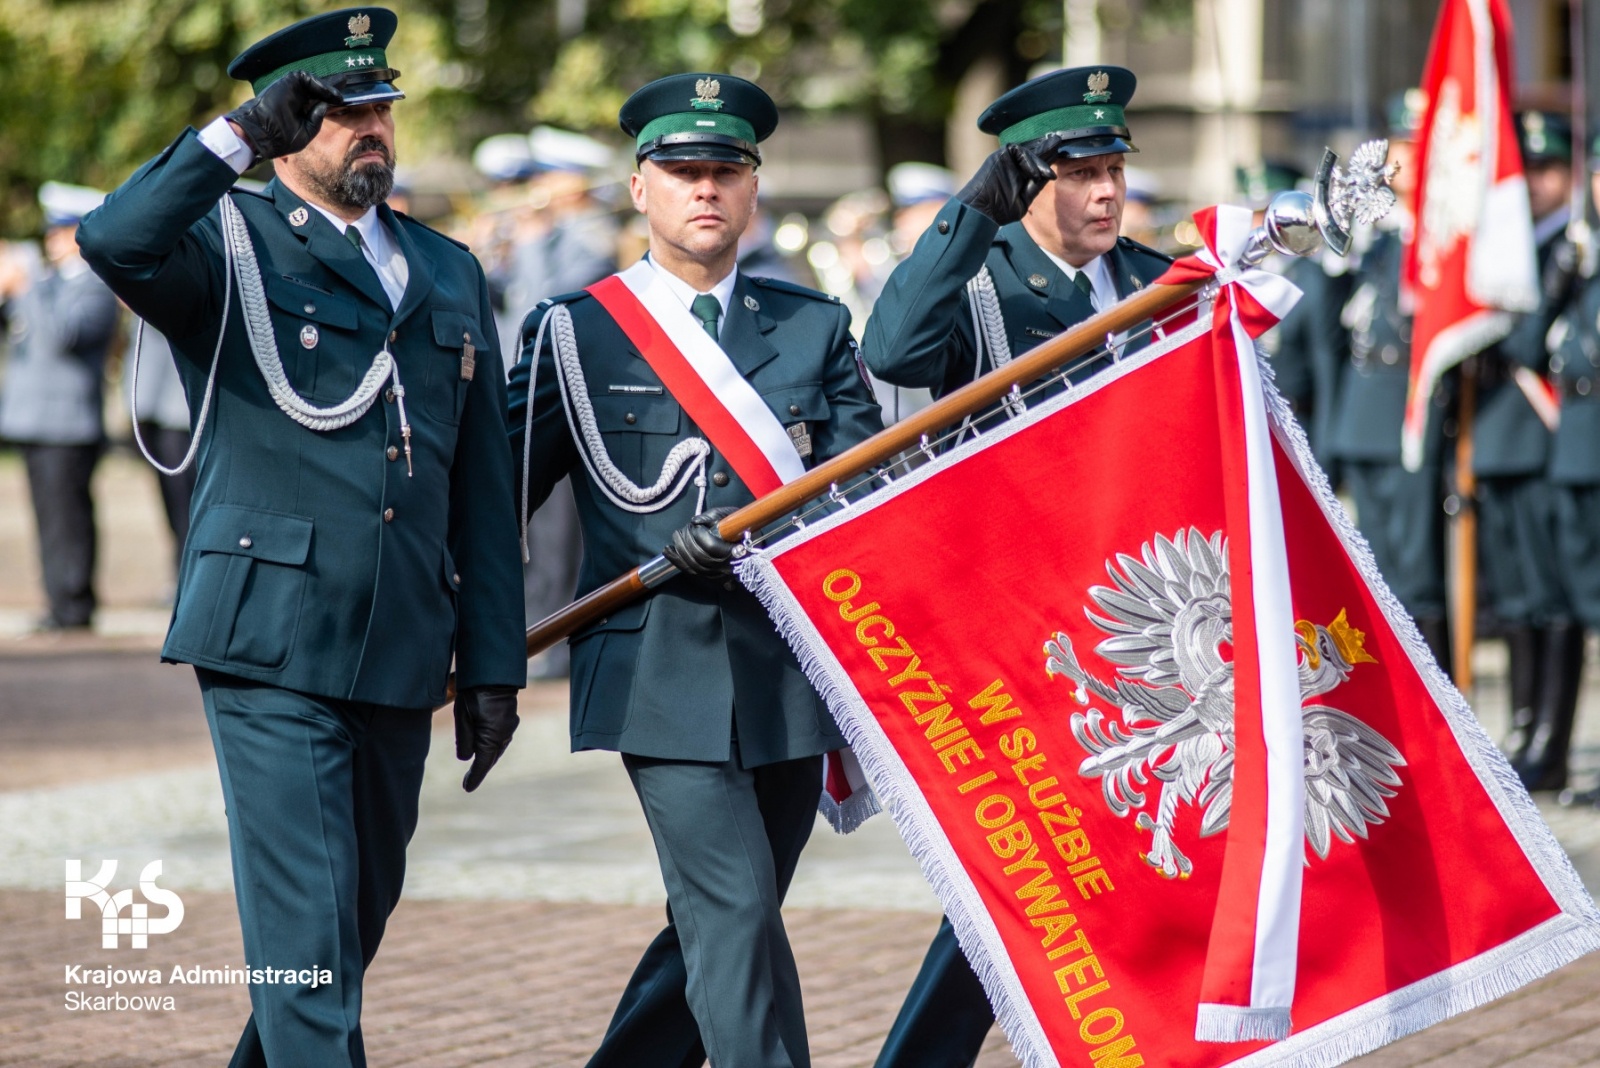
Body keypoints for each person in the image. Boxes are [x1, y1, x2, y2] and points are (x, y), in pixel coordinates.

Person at [75, 9, 526, 1065]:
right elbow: (113, 239)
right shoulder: (226, 239)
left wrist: (492, 660)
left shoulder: (446, 266)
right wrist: (236, 135)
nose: (369, 126)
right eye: (338, 110)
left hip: (404, 637)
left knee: (342, 928)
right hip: (270, 638)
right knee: (311, 951)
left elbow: (480, 482)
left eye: (379, 107)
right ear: (289, 125)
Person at [509, 73, 883, 1068]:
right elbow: (493, 493)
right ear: (641, 189)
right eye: (681, 172)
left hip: (787, 671)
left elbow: (864, 493)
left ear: (753, 187)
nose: (704, 189)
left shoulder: (809, 325)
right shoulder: (575, 331)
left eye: (723, 170)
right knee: (732, 911)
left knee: (725, 922)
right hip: (656, 670)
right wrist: (466, 634)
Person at [860, 64, 1171, 1066]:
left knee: (1136, 860)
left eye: (1113, 168)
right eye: (1079, 174)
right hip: (1027, 628)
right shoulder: (984, 281)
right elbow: (896, 347)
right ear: (1028, 183)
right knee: (1030, 868)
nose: (1105, 192)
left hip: (1155, 625)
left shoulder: (1162, 282)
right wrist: (966, 215)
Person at [1325, 91, 1455, 675]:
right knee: (1374, 574)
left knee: (1416, 577)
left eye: (1416, 145)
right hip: (1364, 415)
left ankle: (1440, 700)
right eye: (1399, 142)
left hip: (1410, 415)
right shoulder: (1377, 233)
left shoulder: (1440, 236)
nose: (1402, 157)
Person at [1487, 110, 1584, 791]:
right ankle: (1525, 727)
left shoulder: (1573, 251)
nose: (1539, 186)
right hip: (1502, 439)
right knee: (1518, 600)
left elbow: (1527, 348)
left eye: (1551, 172)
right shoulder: (1504, 247)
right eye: (1530, 172)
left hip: (1551, 443)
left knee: (1555, 600)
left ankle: (1551, 737)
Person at [0, 182, 120, 632]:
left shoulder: (95, 286)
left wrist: (25, 286)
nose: (50, 242)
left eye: (59, 232)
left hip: (68, 426)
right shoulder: (48, 285)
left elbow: (61, 337)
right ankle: (58, 600)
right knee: (48, 520)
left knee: (67, 519)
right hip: (35, 422)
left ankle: (73, 602)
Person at [1539, 131, 1600, 806]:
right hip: (1575, 448)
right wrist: (1564, 280)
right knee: (1582, 607)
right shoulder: (1582, 258)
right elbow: (1530, 345)